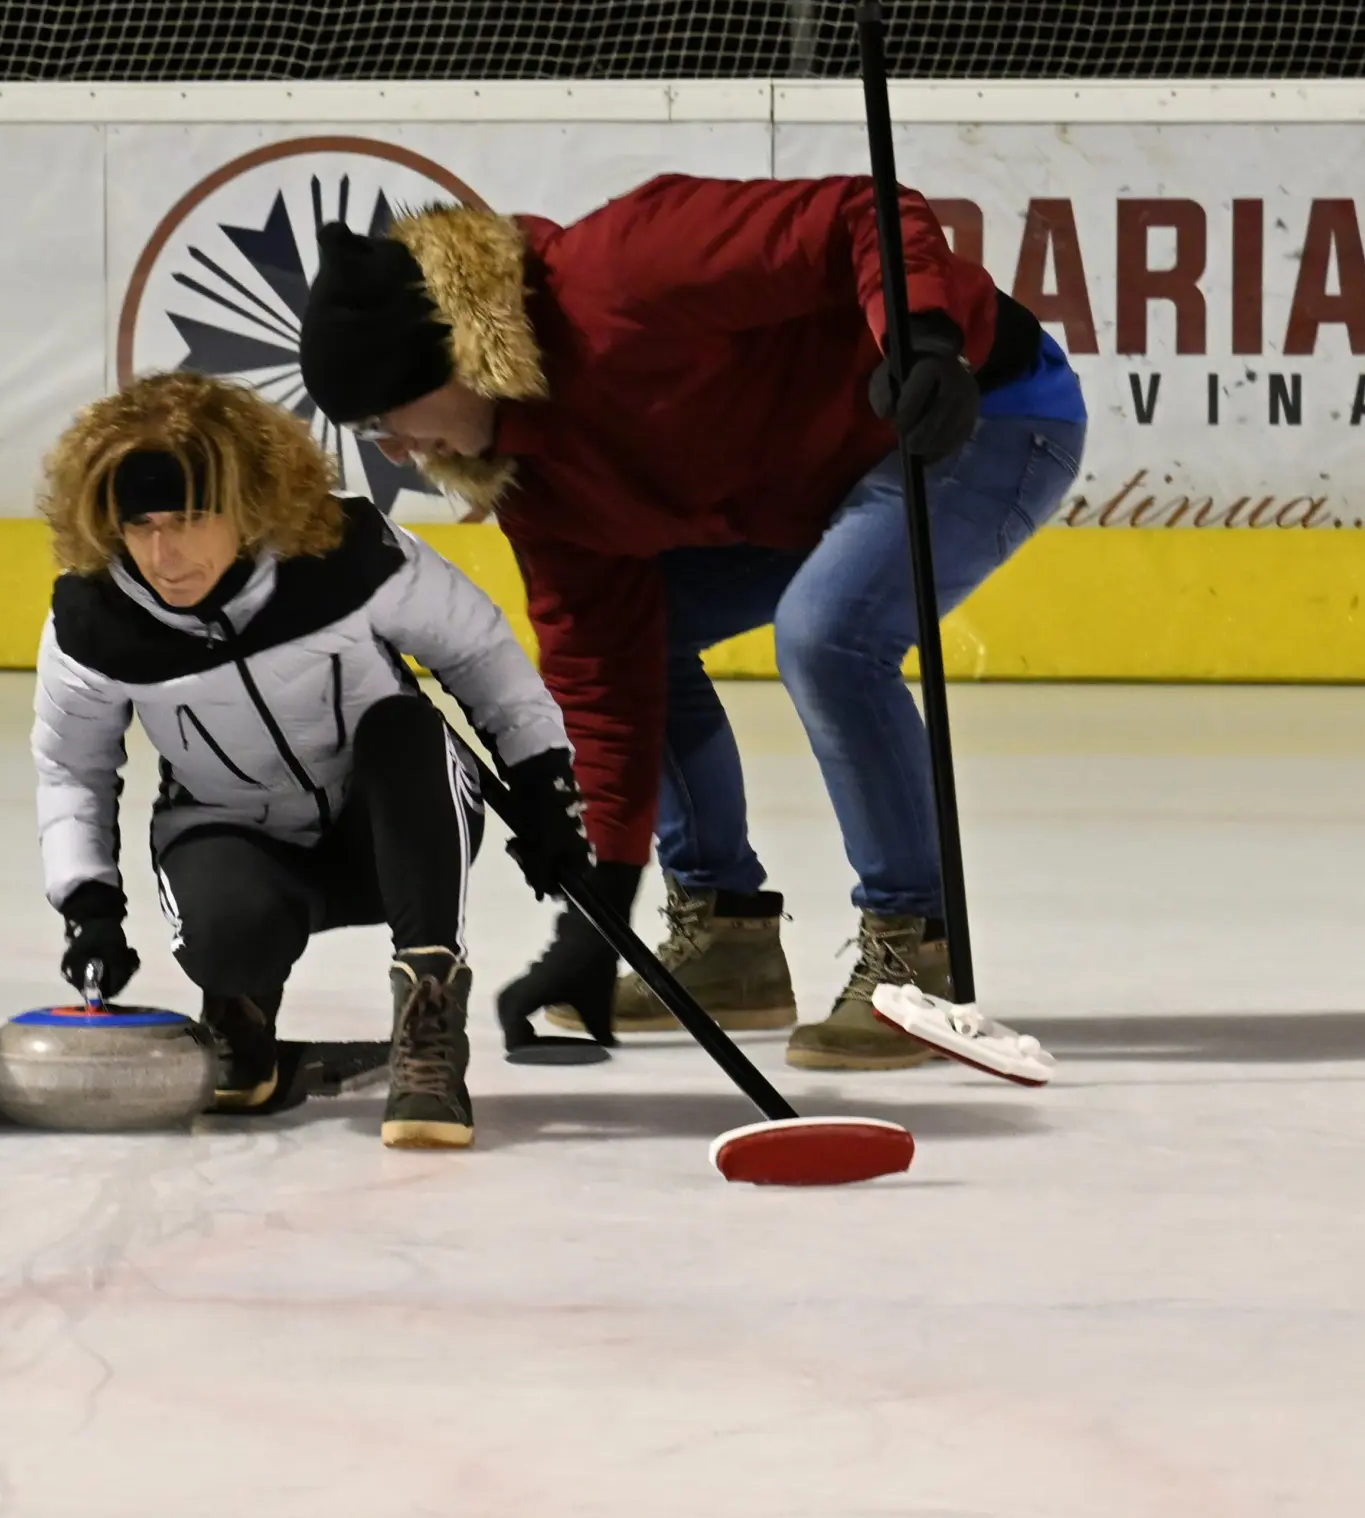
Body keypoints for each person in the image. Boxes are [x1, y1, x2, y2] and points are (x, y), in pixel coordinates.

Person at [297, 177, 1087, 1069]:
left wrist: (923, 337)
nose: (393, 453)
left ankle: (917, 953)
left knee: (827, 636)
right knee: (651, 631)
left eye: (380, 420)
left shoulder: (621, 273)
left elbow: (862, 214)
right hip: (813, 486)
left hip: (977, 408)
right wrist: (603, 909)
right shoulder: (536, 482)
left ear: (439, 357)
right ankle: (726, 934)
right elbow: (600, 680)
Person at [30, 370, 583, 1150]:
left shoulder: (347, 557)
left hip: (390, 829)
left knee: (404, 729)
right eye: (141, 523)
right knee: (228, 931)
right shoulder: (94, 623)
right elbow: (72, 769)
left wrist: (544, 785)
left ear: (246, 503)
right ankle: (240, 1009)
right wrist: (88, 906)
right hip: (237, 832)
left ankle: (428, 1026)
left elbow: (479, 651)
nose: (164, 551)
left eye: (190, 516)